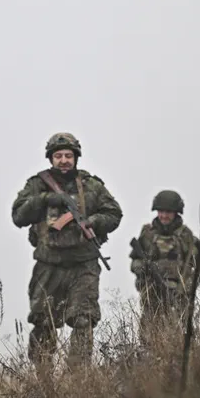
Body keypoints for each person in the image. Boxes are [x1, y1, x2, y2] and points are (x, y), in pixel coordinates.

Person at [11, 132, 123, 367]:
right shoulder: (37, 184)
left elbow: (114, 214)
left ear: (76, 158)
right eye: (58, 156)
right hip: (48, 265)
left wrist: (92, 222)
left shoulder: (91, 185)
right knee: (43, 322)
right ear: (51, 158)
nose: (63, 160)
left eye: (68, 156)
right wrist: (46, 199)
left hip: (84, 264)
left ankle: (77, 378)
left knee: (84, 320)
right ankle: (42, 378)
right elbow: (18, 216)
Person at [129, 189, 200, 346]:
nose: (164, 216)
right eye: (161, 211)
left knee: (180, 335)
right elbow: (135, 261)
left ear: (176, 213)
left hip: (178, 296)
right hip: (152, 293)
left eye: (168, 212)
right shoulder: (147, 235)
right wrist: (143, 271)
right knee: (148, 336)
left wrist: (188, 285)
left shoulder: (186, 237)